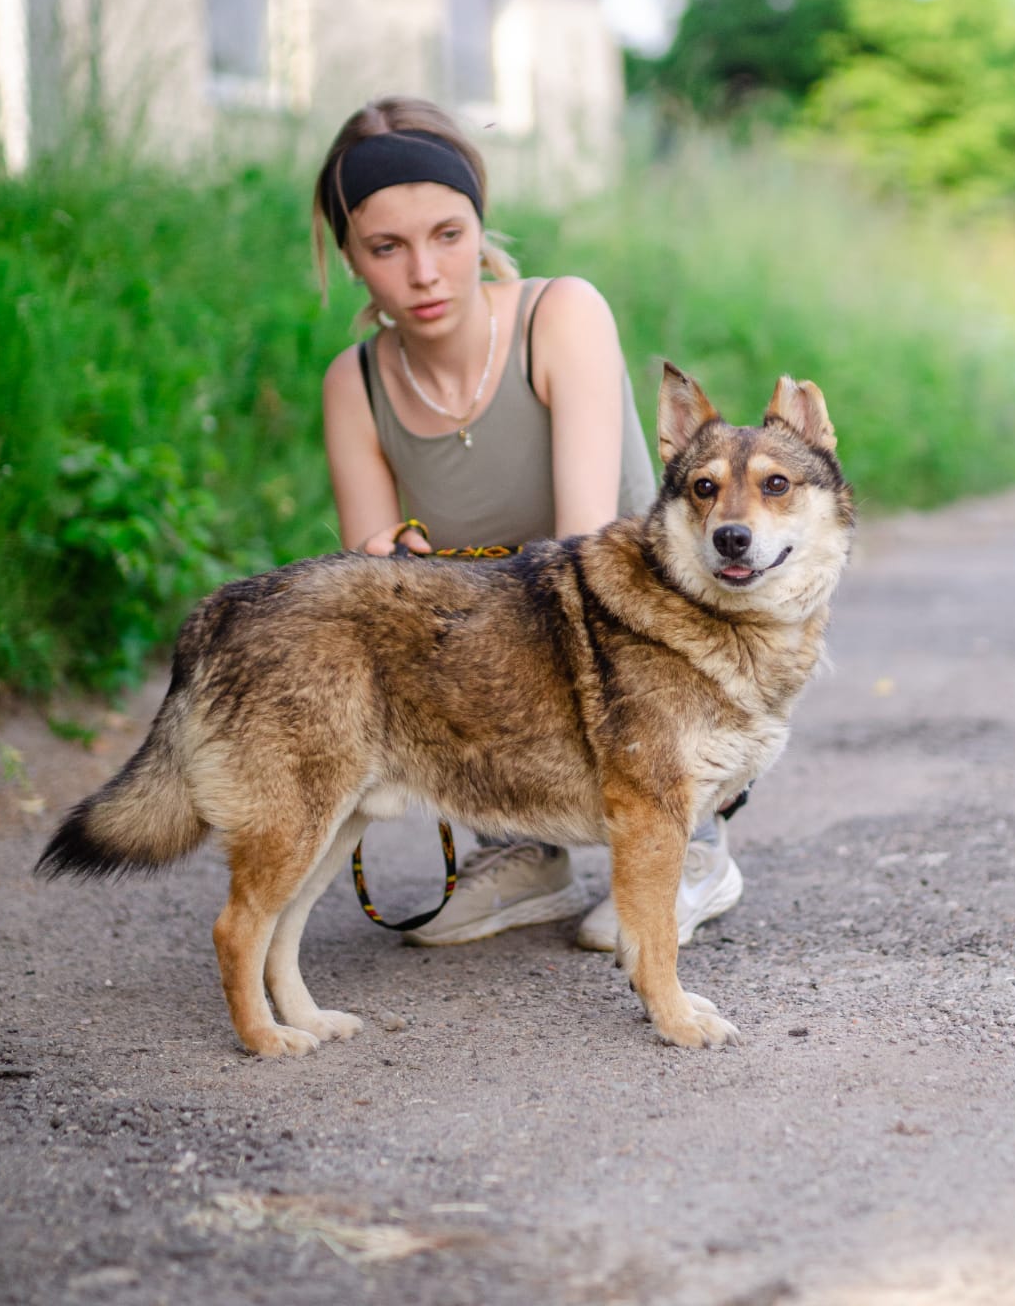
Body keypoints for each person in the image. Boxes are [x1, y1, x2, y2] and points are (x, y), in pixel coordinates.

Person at [313, 94, 743, 950]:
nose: (424, 272)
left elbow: (583, 546)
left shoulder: (560, 315)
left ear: (480, 227)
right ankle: (519, 846)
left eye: (447, 234)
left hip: (629, 617)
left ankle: (690, 843)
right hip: (506, 631)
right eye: (386, 247)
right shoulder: (353, 384)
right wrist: (395, 566)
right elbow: (371, 586)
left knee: (587, 603)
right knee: (405, 628)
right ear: (350, 257)